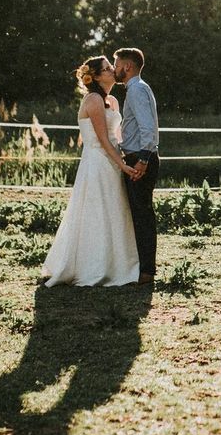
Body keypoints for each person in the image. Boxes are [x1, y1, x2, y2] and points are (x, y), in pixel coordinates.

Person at [40, 56, 140, 287]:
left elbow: (117, 136)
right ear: (95, 76)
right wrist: (122, 164)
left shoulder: (112, 100)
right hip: (98, 161)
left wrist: (132, 156)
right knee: (97, 211)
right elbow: (102, 139)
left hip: (112, 159)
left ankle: (117, 263)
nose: (112, 70)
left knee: (115, 209)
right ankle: (94, 266)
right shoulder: (93, 100)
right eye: (107, 69)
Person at [113, 47, 159, 284]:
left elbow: (147, 129)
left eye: (116, 64)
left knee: (142, 215)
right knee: (140, 213)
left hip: (140, 159)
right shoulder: (139, 88)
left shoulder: (137, 90)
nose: (114, 69)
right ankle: (141, 268)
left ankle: (146, 271)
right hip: (138, 157)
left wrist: (142, 160)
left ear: (127, 66)